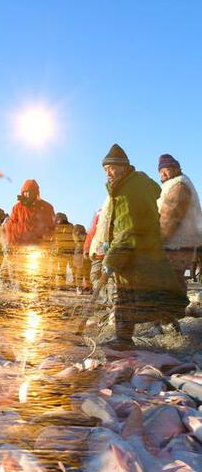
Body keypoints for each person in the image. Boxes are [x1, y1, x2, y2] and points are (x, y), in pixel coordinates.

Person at [93, 144, 188, 348]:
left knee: (125, 298)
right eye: (105, 169)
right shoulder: (139, 183)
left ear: (124, 167)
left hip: (134, 255)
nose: (108, 173)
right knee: (154, 295)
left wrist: (111, 261)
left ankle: (123, 340)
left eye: (112, 168)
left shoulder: (127, 192)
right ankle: (174, 332)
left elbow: (127, 230)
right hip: (148, 250)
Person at [157, 153, 202, 293]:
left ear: (176, 169)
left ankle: (175, 305)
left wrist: (156, 242)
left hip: (176, 244)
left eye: (166, 170)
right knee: (173, 283)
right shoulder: (175, 184)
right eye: (160, 171)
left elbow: (169, 219)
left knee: (171, 283)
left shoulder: (179, 186)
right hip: (178, 243)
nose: (163, 174)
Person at [4, 179, 55, 292]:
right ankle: (23, 294)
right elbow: (11, 224)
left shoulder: (46, 207)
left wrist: (49, 241)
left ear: (36, 192)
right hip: (21, 247)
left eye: (31, 191)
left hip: (40, 247)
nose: (28, 194)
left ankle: (42, 295)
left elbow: (51, 226)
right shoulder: (17, 207)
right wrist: (12, 241)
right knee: (22, 274)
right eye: (25, 192)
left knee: (42, 273)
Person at [50, 213, 75, 290]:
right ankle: (60, 284)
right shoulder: (56, 227)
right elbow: (53, 238)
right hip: (60, 250)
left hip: (68, 250)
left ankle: (71, 284)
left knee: (69, 267)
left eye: (58, 218)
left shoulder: (70, 227)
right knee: (60, 268)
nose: (57, 220)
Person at [72, 224, 91, 294]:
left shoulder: (83, 236)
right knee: (83, 272)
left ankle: (84, 287)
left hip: (82, 253)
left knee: (84, 272)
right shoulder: (77, 236)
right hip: (80, 254)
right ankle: (81, 287)